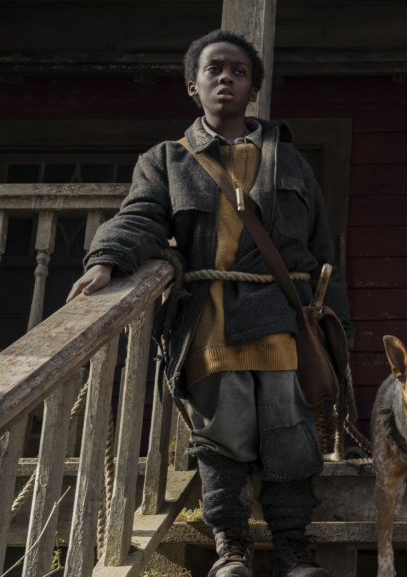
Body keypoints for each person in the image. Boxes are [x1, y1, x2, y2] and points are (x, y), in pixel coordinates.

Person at [67, 30, 353, 577]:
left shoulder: (290, 161)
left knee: (288, 428)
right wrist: (107, 258)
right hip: (212, 318)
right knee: (224, 429)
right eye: (214, 69)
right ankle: (232, 545)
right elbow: (141, 217)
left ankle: (294, 544)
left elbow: (322, 252)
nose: (226, 78)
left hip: (283, 317)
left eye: (238, 71)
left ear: (253, 90)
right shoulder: (167, 161)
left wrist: (336, 324)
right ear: (193, 87)